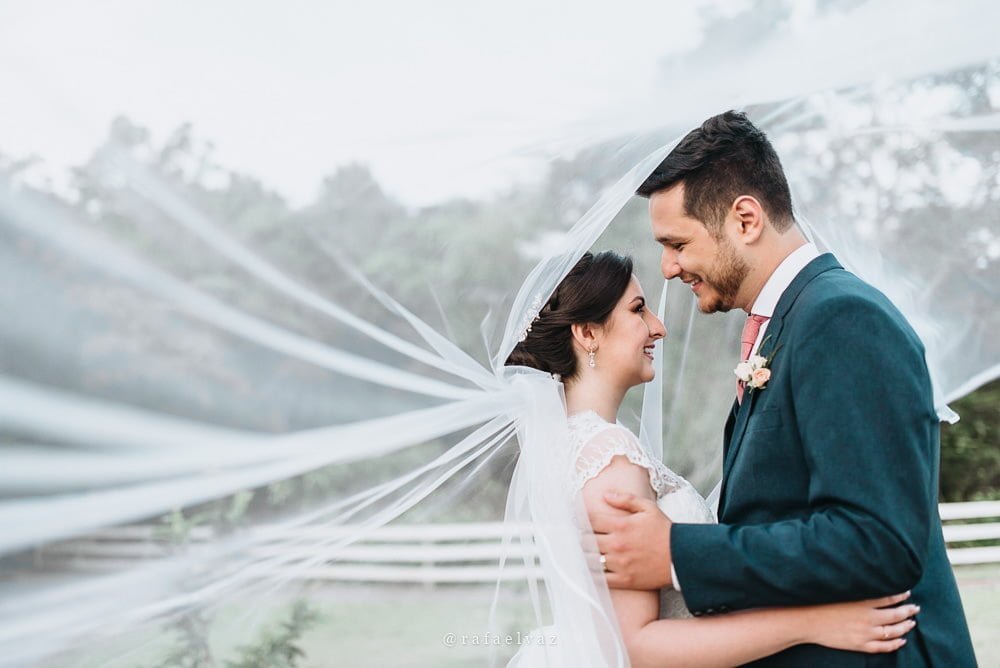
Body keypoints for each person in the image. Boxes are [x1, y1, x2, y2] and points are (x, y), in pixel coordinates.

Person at [591, 111, 976, 666]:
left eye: (677, 243)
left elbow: (879, 542)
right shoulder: (789, 323)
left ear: (745, 220)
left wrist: (676, 553)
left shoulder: (841, 318)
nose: (668, 269)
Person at [505, 250, 917, 667]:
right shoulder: (608, 458)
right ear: (588, 333)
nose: (658, 327)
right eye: (638, 309)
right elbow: (637, 646)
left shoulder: (572, 448)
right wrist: (812, 624)